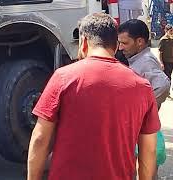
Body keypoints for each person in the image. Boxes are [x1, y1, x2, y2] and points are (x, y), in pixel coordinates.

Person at [28, 13, 160, 180]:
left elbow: (40, 139)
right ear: (116, 46)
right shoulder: (142, 87)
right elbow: (148, 150)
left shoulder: (63, 77)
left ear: (83, 42)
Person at [118, 19, 171, 178]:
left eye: (125, 43)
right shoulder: (138, 59)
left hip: (142, 131)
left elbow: (163, 85)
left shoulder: (145, 61)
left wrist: (142, 110)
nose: (121, 47)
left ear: (140, 42)